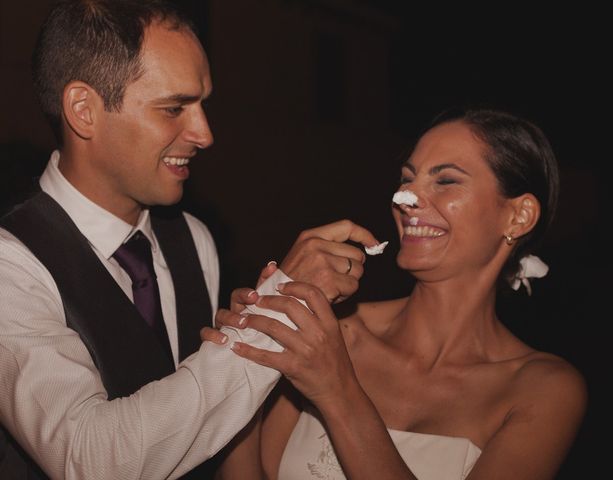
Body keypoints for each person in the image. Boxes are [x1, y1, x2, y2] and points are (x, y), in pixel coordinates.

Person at [0, 1, 379, 479]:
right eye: (174, 108)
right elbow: (90, 459)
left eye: (202, 104)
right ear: (84, 111)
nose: (204, 133)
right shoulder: (10, 266)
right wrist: (275, 309)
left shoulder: (193, 239)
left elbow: (213, 437)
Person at [209, 108, 588, 479]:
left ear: (518, 216)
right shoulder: (335, 331)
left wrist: (338, 390)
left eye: (446, 181)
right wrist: (246, 355)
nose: (405, 198)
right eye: (407, 178)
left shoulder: (543, 388)